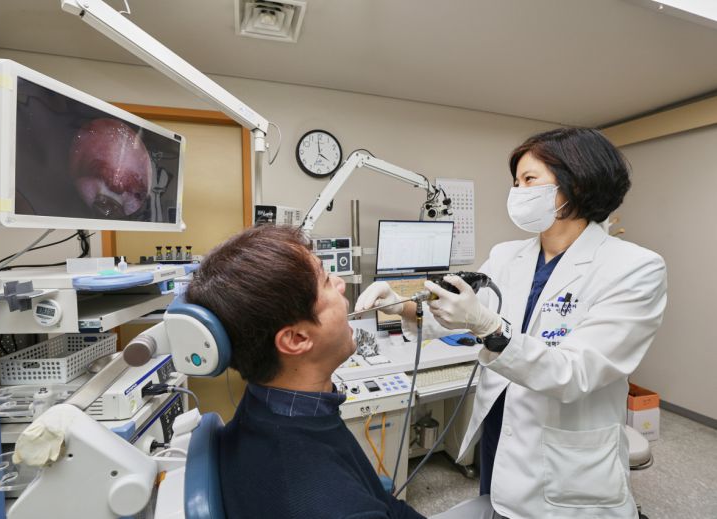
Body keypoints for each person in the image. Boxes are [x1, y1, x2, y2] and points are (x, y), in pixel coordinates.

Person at [355, 128, 667, 519]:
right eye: (515, 182)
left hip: (566, 457)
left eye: (529, 180)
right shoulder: (508, 255)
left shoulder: (634, 267)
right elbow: (461, 314)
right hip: (500, 431)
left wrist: (489, 327)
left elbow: (576, 373)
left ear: (577, 183)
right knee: (499, 502)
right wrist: (402, 306)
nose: (517, 192)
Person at [186, 225, 426, 519]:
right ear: (296, 339)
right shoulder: (338, 507)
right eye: (326, 281)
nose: (340, 284)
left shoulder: (263, 405)